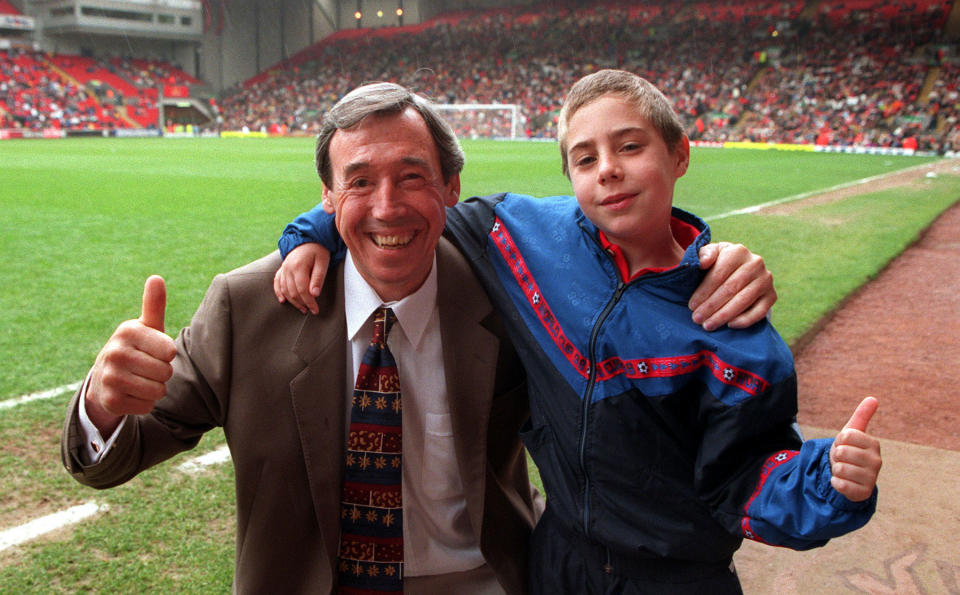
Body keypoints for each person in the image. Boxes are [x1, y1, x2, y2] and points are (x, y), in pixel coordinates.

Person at [274, 71, 882, 594]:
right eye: (585, 158)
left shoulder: (732, 327)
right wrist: (312, 234)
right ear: (568, 176)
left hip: (676, 577)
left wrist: (829, 486)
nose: (609, 171)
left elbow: (746, 476)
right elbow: (398, 206)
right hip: (559, 561)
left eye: (630, 147)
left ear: (679, 155)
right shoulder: (525, 238)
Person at [62, 83, 543, 594]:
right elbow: (119, 453)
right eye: (360, 181)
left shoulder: (507, 291)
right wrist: (105, 405)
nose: (387, 206)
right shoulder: (245, 308)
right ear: (328, 197)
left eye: (411, 177)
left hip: (482, 581)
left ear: (451, 186)